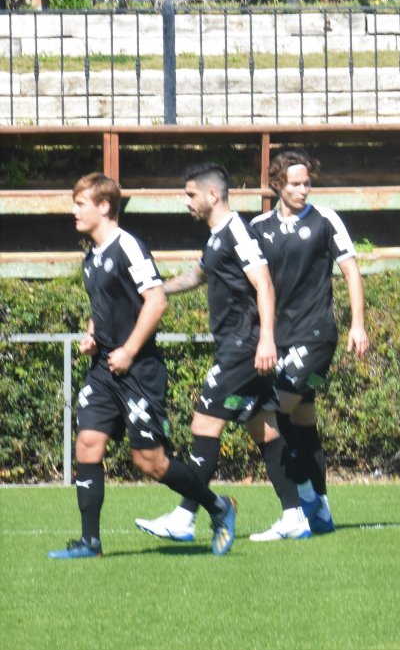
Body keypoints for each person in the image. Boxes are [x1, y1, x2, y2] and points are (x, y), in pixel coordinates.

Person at [49, 173, 237, 559]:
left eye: (80, 204)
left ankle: (218, 507)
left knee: (150, 462)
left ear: (104, 206)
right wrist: (92, 336)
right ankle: (90, 542)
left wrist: (130, 350)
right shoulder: (92, 256)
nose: (74, 211)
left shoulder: (128, 247)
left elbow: (156, 300)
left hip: (138, 371)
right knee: (87, 444)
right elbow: (103, 308)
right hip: (104, 369)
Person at [134, 163, 307, 543]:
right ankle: (294, 515)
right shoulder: (217, 238)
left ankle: (185, 516)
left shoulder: (237, 231)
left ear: (213, 195)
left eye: (190, 194)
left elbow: (264, 284)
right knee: (264, 427)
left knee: (204, 425)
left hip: (244, 347)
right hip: (239, 346)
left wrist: (266, 340)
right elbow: (197, 275)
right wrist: (155, 289)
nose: (186, 202)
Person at [249, 150, 370, 536]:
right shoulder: (258, 227)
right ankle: (321, 511)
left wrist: (358, 324)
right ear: (277, 185)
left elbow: (351, 272)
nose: (303, 190)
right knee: (302, 419)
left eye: (307, 183)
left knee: (274, 411)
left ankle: (298, 508)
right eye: (296, 184)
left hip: (317, 339)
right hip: (278, 341)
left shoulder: (325, 220)